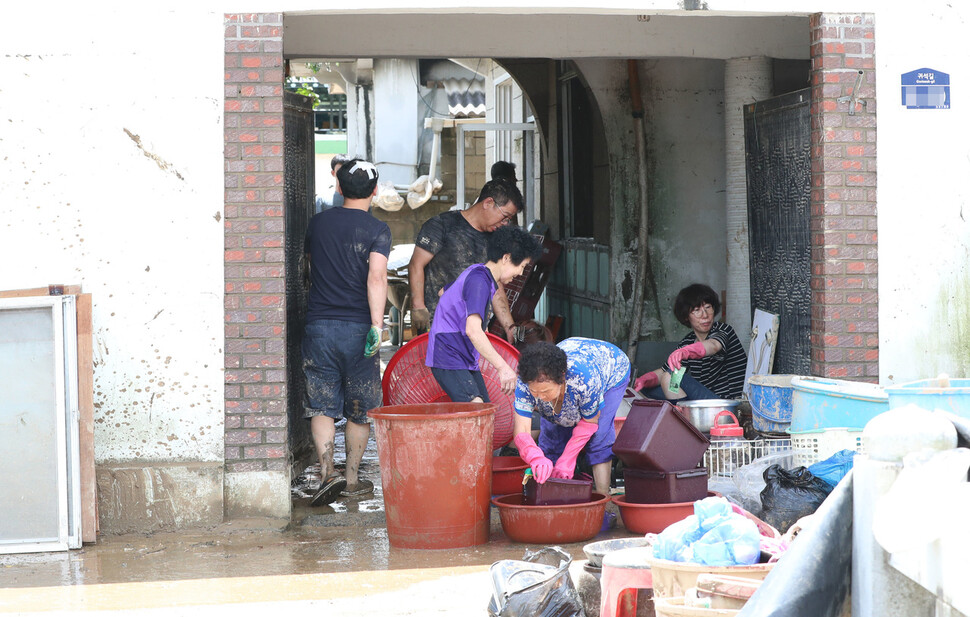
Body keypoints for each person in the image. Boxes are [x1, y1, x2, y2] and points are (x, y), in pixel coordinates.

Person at [303, 158, 391, 506]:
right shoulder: (378, 230)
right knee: (360, 404)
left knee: (321, 403)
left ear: (339, 187)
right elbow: (377, 277)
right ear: (374, 191)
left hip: (319, 326)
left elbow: (308, 266)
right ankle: (351, 480)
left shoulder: (318, 223)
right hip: (358, 329)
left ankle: (328, 474)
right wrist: (376, 324)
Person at [426, 226, 542, 402]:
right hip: (449, 355)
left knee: (485, 411)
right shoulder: (479, 281)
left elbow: (444, 292)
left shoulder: (477, 273)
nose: (520, 273)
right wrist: (502, 367)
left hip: (462, 355)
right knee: (477, 409)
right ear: (506, 258)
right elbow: (473, 331)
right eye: (522, 266)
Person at [512, 338, 631, 496]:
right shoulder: (524, 382)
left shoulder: (584, 380)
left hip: (611, 367)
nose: (539, 397)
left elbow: (590, 421)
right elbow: (521, 430)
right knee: (551, 436)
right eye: (535, 392)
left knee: (600, 435)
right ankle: (553, 495)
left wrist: (568, 458)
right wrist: (534, 457)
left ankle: (603, 499)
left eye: (545, 391)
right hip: (573, 353)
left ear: (561, 379)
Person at [408, 177, 523, 339]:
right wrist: (418, 307)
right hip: (437, 326)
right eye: (505, 216)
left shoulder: (495, 239)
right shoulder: (442, 225)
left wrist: (510, 327)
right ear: (488, 203)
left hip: (473, 330)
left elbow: (495, 284)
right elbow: (415, 265)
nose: (505, 223)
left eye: (509, 220)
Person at [634, 283, 747, 401]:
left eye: (708, 307)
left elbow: (713, 345)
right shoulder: (687, 341)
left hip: (728, 402)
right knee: (646, 388)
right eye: (697, 310)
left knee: (672, 377)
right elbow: (664, 371)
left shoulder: (723, 330)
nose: (705, 315)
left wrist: (686, 352)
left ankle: (682, 417)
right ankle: (683, 410)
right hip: (705, 402)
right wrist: (643, 380)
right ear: (686, 316)